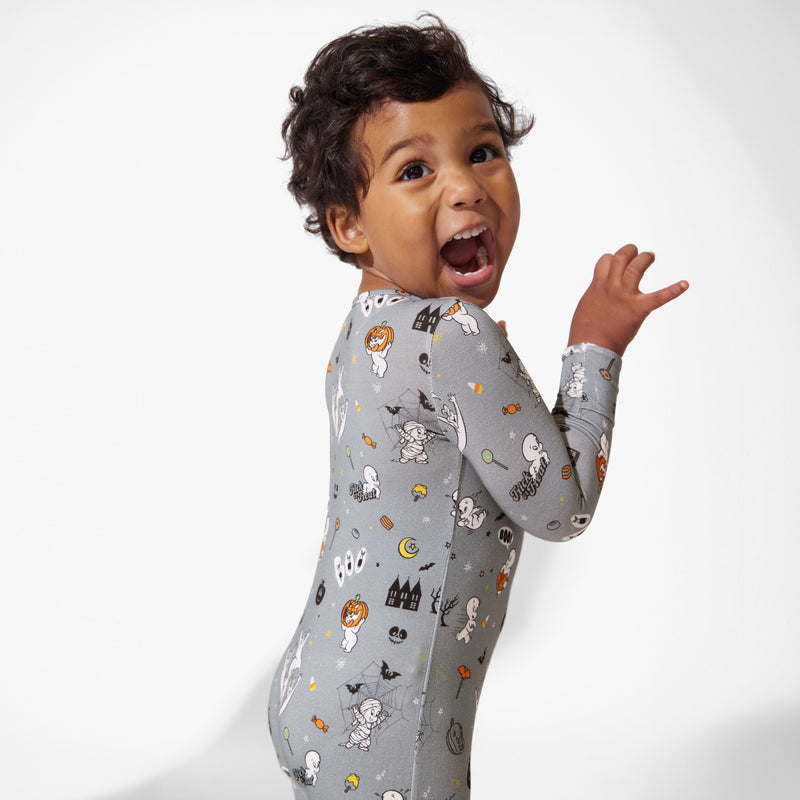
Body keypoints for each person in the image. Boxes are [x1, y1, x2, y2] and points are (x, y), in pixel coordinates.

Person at [267, 15, 687, 799]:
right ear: (349, 223)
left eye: (483, 152)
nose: (464, 186)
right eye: (414, 169)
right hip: (391, 737)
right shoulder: (452, 332)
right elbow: (561, 506)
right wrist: (594, 346)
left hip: (314, 694)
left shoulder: (363, 331)